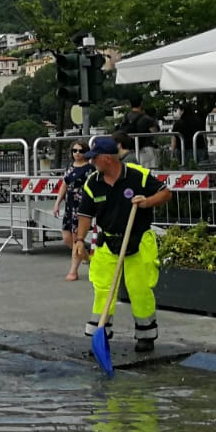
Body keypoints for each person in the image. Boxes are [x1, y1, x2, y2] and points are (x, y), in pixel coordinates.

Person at [75, 135, 173, 354]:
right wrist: (79, 240)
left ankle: (146, 335)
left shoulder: (138, 176)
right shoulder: (93, 182)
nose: (91, 162)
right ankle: (100, 335)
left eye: (94, 158)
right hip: (108, 242)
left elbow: (166, 193)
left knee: (139, 289)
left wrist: (147, 202)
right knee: (102, 290)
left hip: (137, 240)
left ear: (107, 158)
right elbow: (84, 214)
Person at [52, 140, 93, 281]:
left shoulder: (90, 168)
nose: (77, 153)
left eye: (80, 151)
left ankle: (73, 270)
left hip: (81, 204)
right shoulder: (70, 166)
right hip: (69, 204)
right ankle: (89, 259)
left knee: (77, 238)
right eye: (74, 150)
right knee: (67, 238)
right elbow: (64, 184)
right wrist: (57, 203)